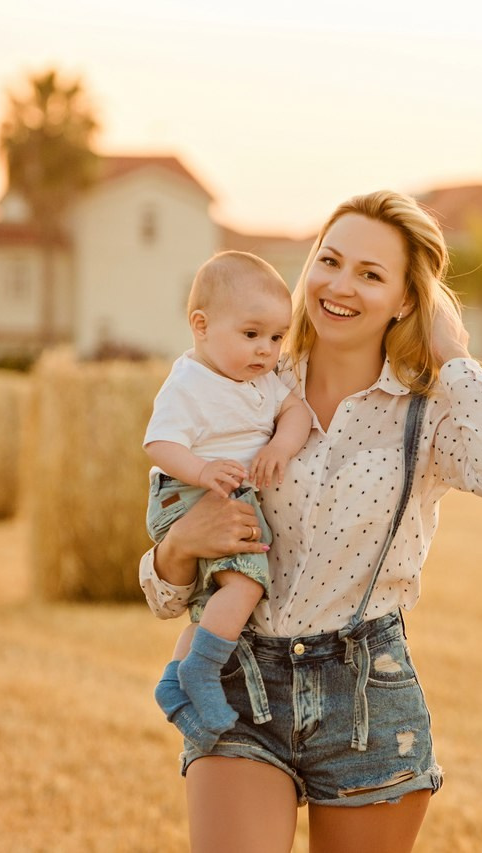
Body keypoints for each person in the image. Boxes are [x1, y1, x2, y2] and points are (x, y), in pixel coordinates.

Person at [140, 190, 482, 852]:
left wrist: (454, 351)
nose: (340, 285)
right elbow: (164, 581)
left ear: (406, 300)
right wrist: (181, 544)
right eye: (330, 260)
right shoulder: (249, 377)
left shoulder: (426, 413)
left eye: (371, 274)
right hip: (239, 683)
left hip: (368, 699)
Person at [145, 251, 313, 752]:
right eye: (251, 334)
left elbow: (297, 410)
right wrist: (202, 470)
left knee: (212, 602)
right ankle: (202, 668)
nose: (266, 349)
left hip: (223, 490)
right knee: (245, 584)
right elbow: (158, 444)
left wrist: (280, 445)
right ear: (201, 325)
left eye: (277, 337)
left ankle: (175, 684)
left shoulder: (265, 377)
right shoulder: (190, 383)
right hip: (190, 492)